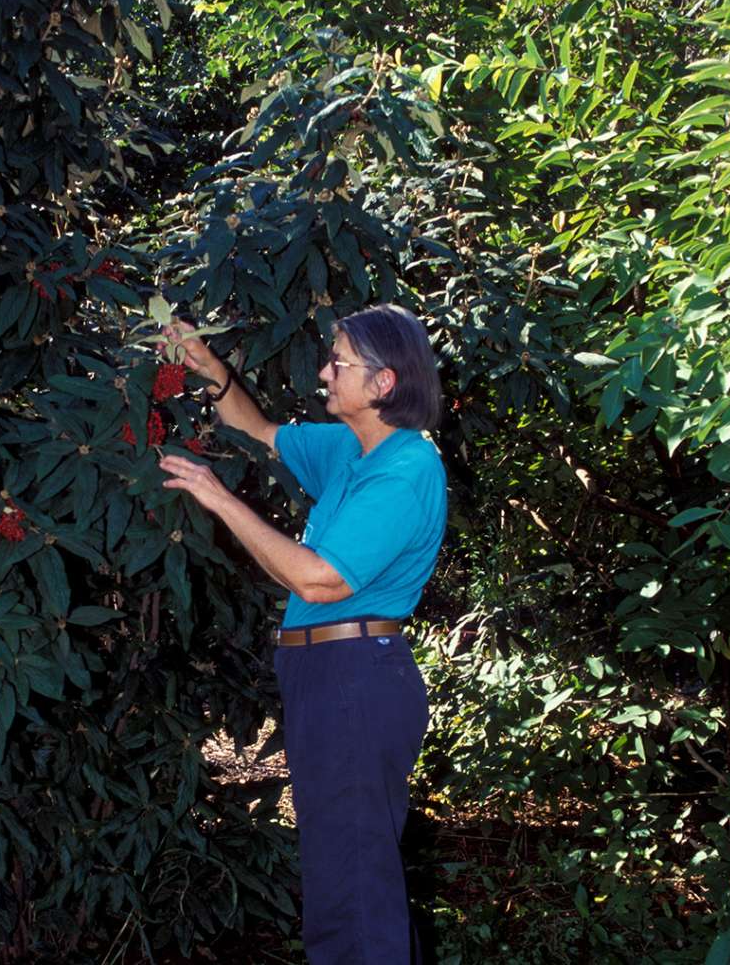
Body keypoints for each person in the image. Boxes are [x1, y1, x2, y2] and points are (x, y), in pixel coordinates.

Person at [158, 303, 447, 965]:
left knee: (351, 880)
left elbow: (319, 580)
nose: (323, 372)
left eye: (339, 361)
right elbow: (257, 429)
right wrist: (212, 370)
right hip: (325, 675)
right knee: (337, 869)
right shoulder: (349, 449)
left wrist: (219, 498)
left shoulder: (406, 468)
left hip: (357, 676)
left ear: (384, 383)